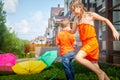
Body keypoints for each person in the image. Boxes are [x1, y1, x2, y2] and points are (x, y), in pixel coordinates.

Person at [68, 0, 120, 80]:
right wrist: (68, 29)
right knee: (95, 64)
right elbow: (73, 31)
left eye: (73, 9)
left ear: (80, 7)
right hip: (85, 44)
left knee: (78, 57)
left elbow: (106, 20)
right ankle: (104, 76)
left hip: (92, 42)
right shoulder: (76, 19)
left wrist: (114, 30)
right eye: (71, 10)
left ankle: (100, 73)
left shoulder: (90, 15)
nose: (73, 12)